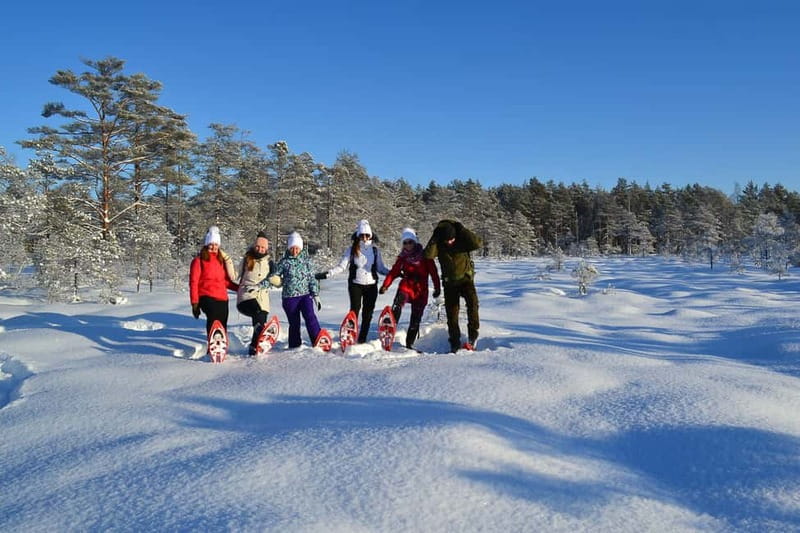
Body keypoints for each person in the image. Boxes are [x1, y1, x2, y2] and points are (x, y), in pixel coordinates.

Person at [316, 219, 390, 343]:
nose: (364, 238)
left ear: (371, 235)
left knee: (368, 313)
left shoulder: (375, 251)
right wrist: (327, 274)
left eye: (367, 235)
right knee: (354, 311)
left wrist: (395, 273)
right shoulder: (351, 250)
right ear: (358, 235)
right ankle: (350, 335)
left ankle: (362, 338)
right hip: (355, 285)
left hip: (371, 286)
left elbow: (381, 268)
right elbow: (341, 267)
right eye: (362, 235)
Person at [423, 220, 482, 352]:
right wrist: (435, 237)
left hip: (466, 280)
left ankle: (473, 334)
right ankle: (454, 341)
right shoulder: (439, 242)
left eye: (452, 239)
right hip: (450, 283)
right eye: (447, 240)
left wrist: (461, 229)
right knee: (452, 314)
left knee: (473, 304)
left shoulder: (462, 239)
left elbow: (477, 243)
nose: (449, 242)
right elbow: (428, 255)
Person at [379, 228, 441, 349]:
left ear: (415, 242)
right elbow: (394, 272)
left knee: (415, 319)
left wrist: (437, 288)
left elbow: (434, 273)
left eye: (410, 242)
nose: (408, 245)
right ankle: (390, 328)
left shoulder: (425, 256)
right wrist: (385, 285)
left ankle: (410, 344)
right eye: (405, 242)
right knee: (398, 303)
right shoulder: (402, 257)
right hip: (406, 286)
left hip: (420, 290)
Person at [268, 232, 323, 349]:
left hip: (305, 296)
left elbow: (312, 279)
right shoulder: (284, 262)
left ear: (301, 248)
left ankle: (318, 341)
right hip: (289, 298)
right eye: (292, 248)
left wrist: (315, 295)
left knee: (310, 317)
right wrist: (269, 280)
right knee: (294, 323)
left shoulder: (307, 261)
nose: (294, 251)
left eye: (297, 248)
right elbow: (274, 276)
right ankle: (294, 346)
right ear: (289, 248)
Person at [189, 225, 239, 338]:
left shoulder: (220, 260)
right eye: (211, 244)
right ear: (207, 244)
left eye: (216, 244)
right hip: (206, 296)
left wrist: (239, 288)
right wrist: (195, 303)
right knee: (213, 317)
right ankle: (212, 343)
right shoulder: (198, 261)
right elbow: (193, 282)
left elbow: (225, 282)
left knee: (222, 322)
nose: (213, 247)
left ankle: (221, 346)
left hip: (222, 297)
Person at [236, 231, 275, 355]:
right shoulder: (247, 259)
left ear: (266, 248)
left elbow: (274, 279)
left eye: (263, 247)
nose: (260, 249)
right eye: (258, 246)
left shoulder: (270, 262)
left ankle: (254, 348)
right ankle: (261, 331)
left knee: (260, 320)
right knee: (257, 314)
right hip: (246, 297)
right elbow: (234, 275)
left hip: (262, 298)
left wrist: (276, 280)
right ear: (254, 246)